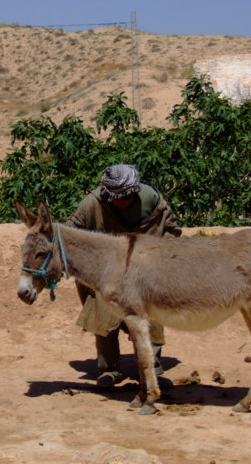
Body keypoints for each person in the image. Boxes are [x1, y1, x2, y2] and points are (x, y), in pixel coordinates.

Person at [67, 164, 181, 388]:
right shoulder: (92, 204)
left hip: (145, 273)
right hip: (106, 274)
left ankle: (151, 367)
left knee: (152, 316)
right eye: (120, 197)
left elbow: (172, 230)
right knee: (103, 314)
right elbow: (72, 234)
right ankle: (109, 369)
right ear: (109, 195)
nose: (126, 199)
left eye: (130, 195)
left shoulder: (152, 201)